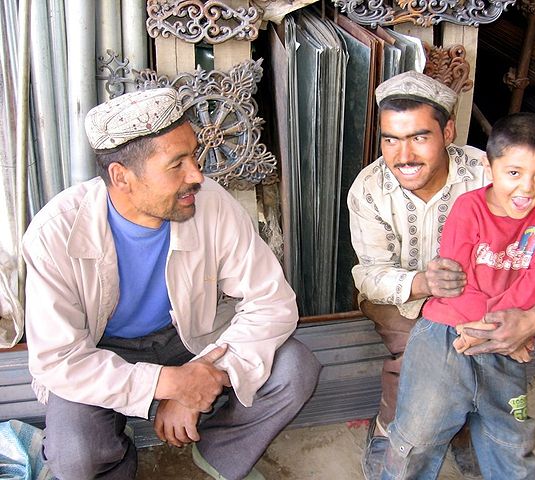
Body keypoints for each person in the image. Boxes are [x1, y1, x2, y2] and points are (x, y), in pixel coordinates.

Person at [22, 88, 320, 480]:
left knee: (295, 369)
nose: (197, 175)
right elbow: (58, 359)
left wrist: (201, 379)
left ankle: (219, 452)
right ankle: (116, 453)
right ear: (121, 177)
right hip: (101, 351)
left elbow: (272, 302)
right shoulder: (54, 234)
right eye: (176, 164)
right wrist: (165, 384)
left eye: (194, 155)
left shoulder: (210, 204)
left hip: (188, 339)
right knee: (75, 454)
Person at [347, 71, 535, 479]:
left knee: (474, 357)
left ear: (447, 131)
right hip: (403, 299)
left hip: (485, 302)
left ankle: (460, 425)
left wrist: (533, 318)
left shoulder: (494, 172)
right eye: (390, 139)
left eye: (419, 137)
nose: (403, 155)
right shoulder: (369, 187)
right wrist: (423, 284)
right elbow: (369, 274)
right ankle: (393, 430)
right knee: (424, 354)